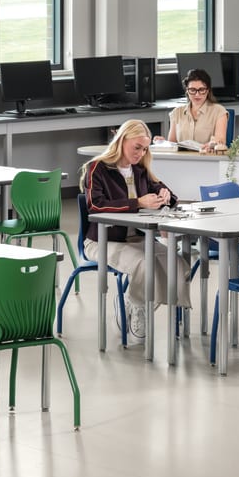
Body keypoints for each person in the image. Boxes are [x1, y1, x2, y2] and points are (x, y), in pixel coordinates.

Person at [82, 118, 183, 344]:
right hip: (102, 241)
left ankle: (131, 300)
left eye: (145, 149)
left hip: (136, 239)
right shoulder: (97, 168)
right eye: (137, 147)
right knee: (144, 264)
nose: (140, 153)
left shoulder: (139, 170)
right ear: (121, 140)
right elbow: (95, 205)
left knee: (175, 263)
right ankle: (138, 306)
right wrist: (137, 202)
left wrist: (166, 195)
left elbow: (165, 193)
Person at [156, 68, 228, 153]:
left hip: (206, 157)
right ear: (187, 90)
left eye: (201, 90)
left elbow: (220, 142)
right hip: (182, 159)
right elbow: (173, 144)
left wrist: (212, 145)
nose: (197, 94)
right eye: (192, 90)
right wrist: (163, 143)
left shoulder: (219, 111)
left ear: (208, 90)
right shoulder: (177, 112)